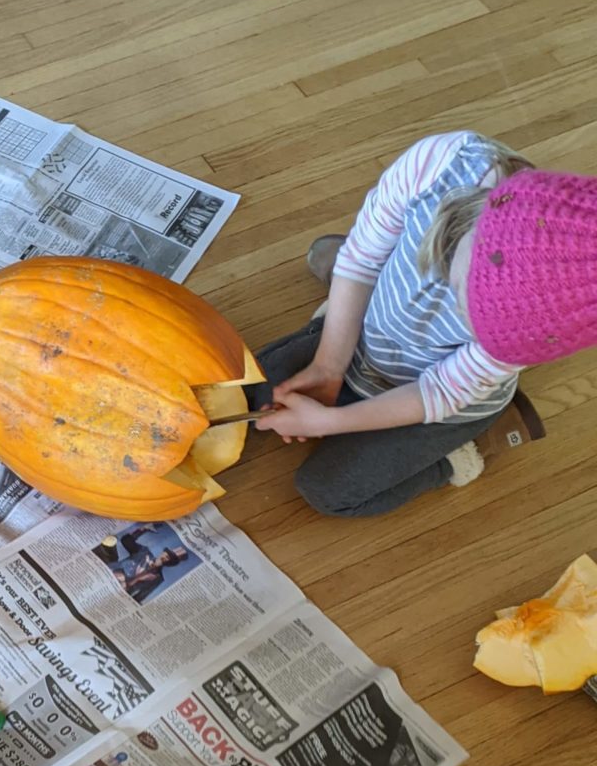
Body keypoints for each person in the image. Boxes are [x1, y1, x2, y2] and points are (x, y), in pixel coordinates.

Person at [251, 134, 596, 516]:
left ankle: (466, 450)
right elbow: (363, 258)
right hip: (371, 343)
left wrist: (334, 422)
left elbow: (441, 391)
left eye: (478, 328)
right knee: (250, 386)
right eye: (462, 292)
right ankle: (348, 288)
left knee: (329, 493)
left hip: (436, 400)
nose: (460, 315)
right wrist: (327, 367)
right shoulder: (440, 165)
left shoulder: (535, 329)